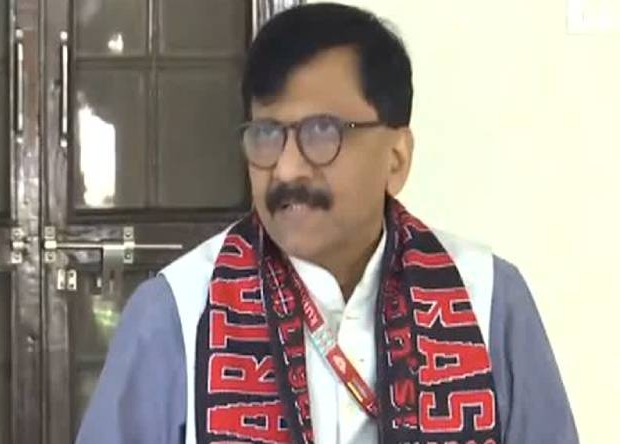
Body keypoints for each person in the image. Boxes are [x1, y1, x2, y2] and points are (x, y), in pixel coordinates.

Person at [75, 3, 578, 443]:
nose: (286, 169)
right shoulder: (177, 313)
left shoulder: (488, 299)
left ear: (397, 158)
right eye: (267, 133)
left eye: (322, 131)